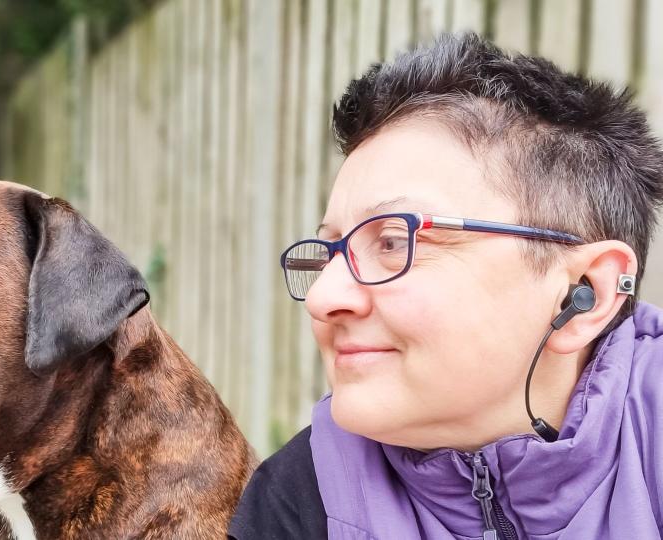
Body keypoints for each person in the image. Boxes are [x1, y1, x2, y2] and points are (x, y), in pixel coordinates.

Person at [227, 32, 663, 539]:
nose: (323, 299)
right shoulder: (300, 499)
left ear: (584, 292)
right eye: (331, 252)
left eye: (393, 241)